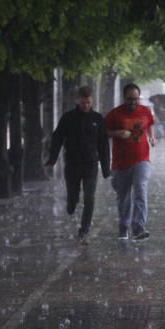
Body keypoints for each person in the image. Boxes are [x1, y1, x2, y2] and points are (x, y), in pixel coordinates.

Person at [45, 86, 111, 244]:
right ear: (77, 101)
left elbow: (103, 145)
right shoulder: (68, 118)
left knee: (90, 197)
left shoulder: (97, 119)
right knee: (73, 196)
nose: (86, 106)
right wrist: (52, 160)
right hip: (72, 163)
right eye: (83, 103)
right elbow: (57, 138)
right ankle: (71, 202)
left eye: (88, 103)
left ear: (92, 101)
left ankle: (84, 229)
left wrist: (106, 168)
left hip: (91, 164)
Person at [104, 83, 155, 240]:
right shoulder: (115, 114)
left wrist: (151, 136)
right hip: (121, 162)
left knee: (141, 189)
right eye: (129, 99)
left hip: (142, 159)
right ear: (123, 98)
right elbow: (104, 133)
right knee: (123, 196)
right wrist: (118, 133)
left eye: (136, 99)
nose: (133, 102)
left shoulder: (146, 111)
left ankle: (139, 227)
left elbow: (150, 124)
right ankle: (124, 225)